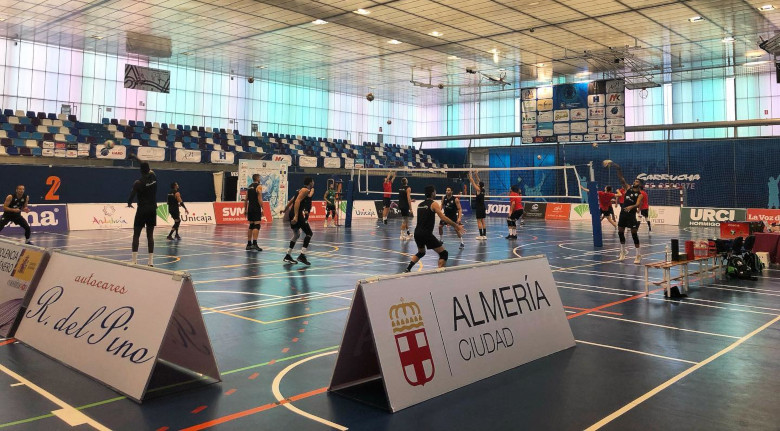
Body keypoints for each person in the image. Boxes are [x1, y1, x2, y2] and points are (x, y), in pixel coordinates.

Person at [404, 186, 466, 272]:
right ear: (433, 193)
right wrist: (456, 225)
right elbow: (443, 217)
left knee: (421, 252)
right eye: (435, 191)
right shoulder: (434, 204)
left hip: (417, 233)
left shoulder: (420, 205)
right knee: (444, 254)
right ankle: (439, 273)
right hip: (426, 234)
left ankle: (408, 269)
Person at [608, 161, 644, 263]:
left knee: (634, 234)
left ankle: (638, 255)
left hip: (631, 215)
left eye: (637, 181)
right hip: (623, 213)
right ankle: (622, 252)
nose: (635, 182)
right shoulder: (628, 188)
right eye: (635, 180)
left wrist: (631, 206)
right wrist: (617, 167)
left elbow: (637, 204)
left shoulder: (640, 194)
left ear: (640, 184)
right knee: (620, 232)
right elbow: (621, 179)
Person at [127, 162, 157, 266]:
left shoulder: (137, 183)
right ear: (149, 170)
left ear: (140, 170)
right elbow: (150, 170)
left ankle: (134, 261)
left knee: (136, 235)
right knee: (150, 236)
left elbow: (131, 197)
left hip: (142, 210)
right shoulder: (154, 178)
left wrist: (129, 203)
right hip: (152, 209)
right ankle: (150, 262)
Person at [283, 177, 315, 265]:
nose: (314, 183)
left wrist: (285, 210)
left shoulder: (300, 190)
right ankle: (302, 255)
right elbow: (296, 201)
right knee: (309, 233)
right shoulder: (305, 190)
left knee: (296, 235)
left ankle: (288, 255)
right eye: (313, 181)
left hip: (291, 213)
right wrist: (296, 216)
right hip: (296, 214)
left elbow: (291, 200)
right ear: (310, 183)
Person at [244, 174, 263, 251]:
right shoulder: (259, 186)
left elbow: (246, 199)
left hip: (250, 208)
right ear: (257, 178)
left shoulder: (249, 186)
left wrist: (245, 209)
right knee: (257, 225)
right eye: (260, 177)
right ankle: (255, 244)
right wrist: (263, 208)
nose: (260, 178)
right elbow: (260, 199)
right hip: (256, 208)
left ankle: (249, 244)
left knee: (251, 225)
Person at [468, 170, 487, 240]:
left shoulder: (478, 190)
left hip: (479, 207)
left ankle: (481, 236)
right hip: (483, 206)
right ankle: (484, 235)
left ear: (479, 185)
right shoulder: (483, 189)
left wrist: (470, 174)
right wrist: (476, 174)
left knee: (479, 221)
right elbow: (479, 181)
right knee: (483, 221)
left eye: (478, 184)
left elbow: (472, 182)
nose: (477, 183)